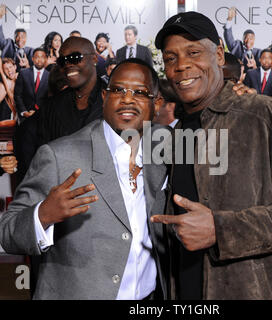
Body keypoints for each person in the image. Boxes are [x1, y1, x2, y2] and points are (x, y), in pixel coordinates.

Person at [152, 11, 272, 300]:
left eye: (193, 52)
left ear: (220, 55)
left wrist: (221, 230)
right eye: (170, 58)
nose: (181, 65)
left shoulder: (266, 115)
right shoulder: (178, 131)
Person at [0, 58, 169, 300]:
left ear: (157, 103)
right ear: (104, 97)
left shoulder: (167, 148)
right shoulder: (59, 155)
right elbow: (7, 232)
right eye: (118, 90)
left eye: (140, 92)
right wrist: (42, 215)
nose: (128, 99)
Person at [39, 36, 104, 145]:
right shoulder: (52, 106)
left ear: (94, 59)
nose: (68, 65)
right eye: (62, 61)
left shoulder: (114, 101)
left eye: (75, 57)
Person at [14, 48, 49, 123]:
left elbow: (50, 98)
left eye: (42, 57)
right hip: (25, 116)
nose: (39, 60)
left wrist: (40, 112)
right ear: (32, 59)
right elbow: (17, 95)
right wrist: (24, 112)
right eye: (37, 57)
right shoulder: (23, 73)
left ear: (46, 59)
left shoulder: (50, 76)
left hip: (43, 116)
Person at [223, 7, 261, 73]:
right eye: (246, 38)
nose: (248, 40)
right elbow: (228, 37)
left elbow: (262, 73)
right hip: (235, 77)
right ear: (243, 39)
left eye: (251, 38)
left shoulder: (258, 52)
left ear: (254, 40)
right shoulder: (237, 46)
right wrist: (229, 19)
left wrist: (254, 66)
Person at [0, 4, 33, 70]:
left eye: (23, 36)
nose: (20, 39)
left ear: (26, 38)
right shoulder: (8, 44)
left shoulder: (31, 51)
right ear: (14, 37)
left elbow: (34, 72)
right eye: (17, 36)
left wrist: (27, 65)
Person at [0, 58, 17, 122]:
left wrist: (27, 65)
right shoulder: (3, 85)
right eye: (6, 69)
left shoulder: (20, 76)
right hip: (15, 117)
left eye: (10, 67)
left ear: (15, 67)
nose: (9, 70)